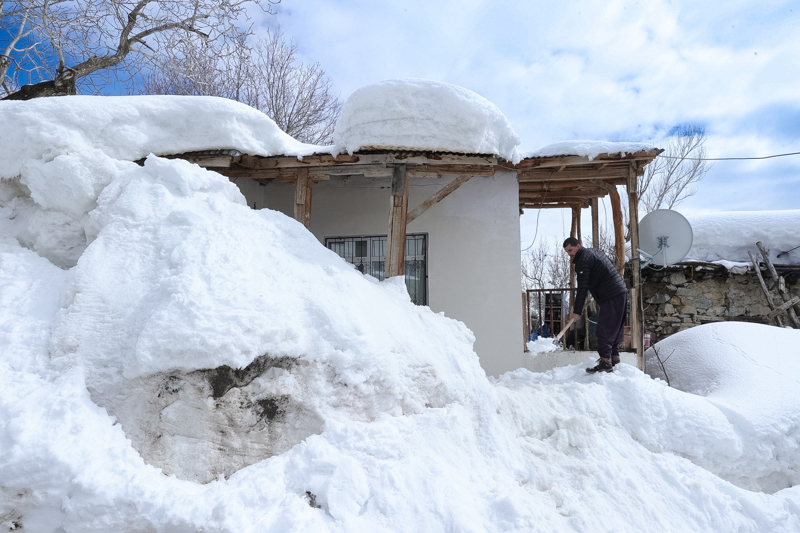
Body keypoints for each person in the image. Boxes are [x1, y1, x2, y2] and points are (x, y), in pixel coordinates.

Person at [563, 237, 628, 373]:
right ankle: (614, 359)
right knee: (614, 330)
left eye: (570, 250)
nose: (570, 254)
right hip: (620, 292)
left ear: (578, 246)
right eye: (567, 252)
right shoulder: (595, 252)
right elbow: (610, 266)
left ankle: (605, 363)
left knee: (604, 330)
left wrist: (577, 311)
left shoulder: (583, 260)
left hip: (611, 295)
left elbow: (582, 288)